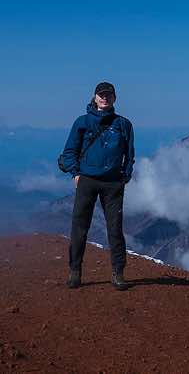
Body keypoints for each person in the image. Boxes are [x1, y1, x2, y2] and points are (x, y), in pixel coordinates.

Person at [60, 82, 135, 290]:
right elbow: (69, 151)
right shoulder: (82, 123)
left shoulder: (124, 124)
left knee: (115, 229)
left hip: (113, 183)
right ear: (94, 97)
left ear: (114, 98)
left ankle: (118, 274)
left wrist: (125, 176)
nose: (104, 98)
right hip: (87, 181)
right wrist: (76, 174)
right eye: (101, 95)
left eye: (108, 95)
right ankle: (75, 271)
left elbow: (129, 155)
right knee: (79, 227)